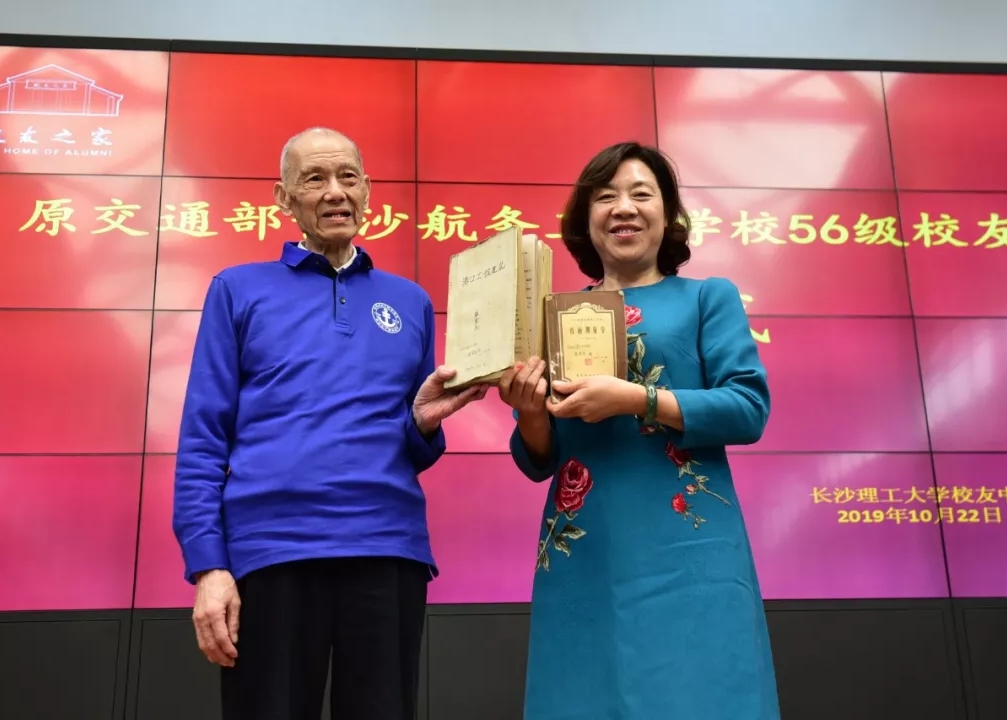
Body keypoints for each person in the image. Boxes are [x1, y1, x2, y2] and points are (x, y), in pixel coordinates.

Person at [172, 126, 486, 720]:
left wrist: (422, 426)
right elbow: (203, 439)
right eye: (314, 179)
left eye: (348, 177)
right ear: (283, 198)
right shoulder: (237, 289)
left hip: (387, 548)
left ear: (367, 190)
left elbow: (415, 447)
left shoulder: (411, 301)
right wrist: (209, 565)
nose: (335, 192)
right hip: (270, 552)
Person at [497, 141, 781, 719]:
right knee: (585, 697)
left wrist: (639, 399)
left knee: (699, 696)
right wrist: (530, 412)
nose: (623, 207)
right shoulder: (554, 315)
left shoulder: (707, 297)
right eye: (606, 197)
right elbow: (539, 459)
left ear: (668, 214)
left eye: (640, 194)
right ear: (585, 220)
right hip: (588, 545)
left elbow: (748, 407)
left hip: (689, 545)